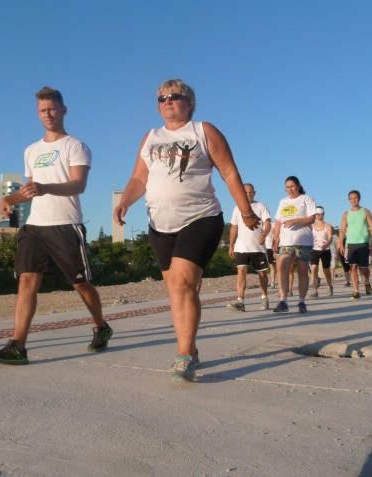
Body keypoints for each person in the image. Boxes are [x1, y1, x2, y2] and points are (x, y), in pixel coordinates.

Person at [113, 79, 259, 383]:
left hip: (201, 218)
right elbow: (139, 179)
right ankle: (191, 348)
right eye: (161, 98)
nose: (167, 101)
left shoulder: (204, 131)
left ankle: (183, 356)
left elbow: (229, 171)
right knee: (177, 291)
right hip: (160, 225)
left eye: (174, 96)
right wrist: (125, 201)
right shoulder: (150, 137)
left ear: (189, 103)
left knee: (182, 285)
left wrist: (245, 211)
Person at [0, 86, 112, 366]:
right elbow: (30, 190)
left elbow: (79, 185)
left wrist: (46, 187)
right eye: (43, 110)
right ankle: (18, 346)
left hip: (65, 224)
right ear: (37, 113)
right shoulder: (31, 150)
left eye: (52, 109)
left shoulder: (75, 146)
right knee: (27, 280)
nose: (48, 114)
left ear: (63, 110)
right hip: (35, 226)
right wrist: (9, 198)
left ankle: (101, 326)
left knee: (80, 283)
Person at [272, 176, 316, 313]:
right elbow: (278, 221)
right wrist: (275, 238)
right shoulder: (283, 201)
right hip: (286, 242)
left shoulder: (306, 199)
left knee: (302, 271)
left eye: (292, 186)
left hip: (303, 241)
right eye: (287, 187)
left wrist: (295, 220)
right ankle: (283, 301)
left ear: (298, 186)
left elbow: (312, 218)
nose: (289, 190)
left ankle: (301, 302)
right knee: (283, 269)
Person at [227, 183, 271, 312]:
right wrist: (231, 245)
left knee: (262, 273)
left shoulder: (261, 206)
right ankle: (240, 301)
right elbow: (234, 227)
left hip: (258, 247)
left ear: (254, 193)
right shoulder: (237, 208)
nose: (249, 194)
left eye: (251, 192)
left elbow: (267, 223)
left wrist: (264, 234)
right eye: (246, 192)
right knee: (241, 272)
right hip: (241, 247)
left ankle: (264, 298)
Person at [337, 190, 372, 299]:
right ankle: (356, 290)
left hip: (363, 243)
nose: (353, 200)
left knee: (364, 268)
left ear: (359, 198)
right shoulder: (346, 214)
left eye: (355, 198)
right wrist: (341, 243)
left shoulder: (365, 211)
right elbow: (341, 230)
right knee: (352, 267)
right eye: (351, 198)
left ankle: (367, 282)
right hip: (351, 243)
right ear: (349, 200)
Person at [309, 206, 334, 297]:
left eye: (320, 214)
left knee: (326, 271)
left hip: (325, 250)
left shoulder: (327, 226)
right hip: (314, 250)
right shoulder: (311, 226)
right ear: (315, 215)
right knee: (314, 269)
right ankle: (314, 289)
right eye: (317, 214)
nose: (318, 215)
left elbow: (330, 238)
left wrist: (326, 245)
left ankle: (329, 286)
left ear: (323, 214)